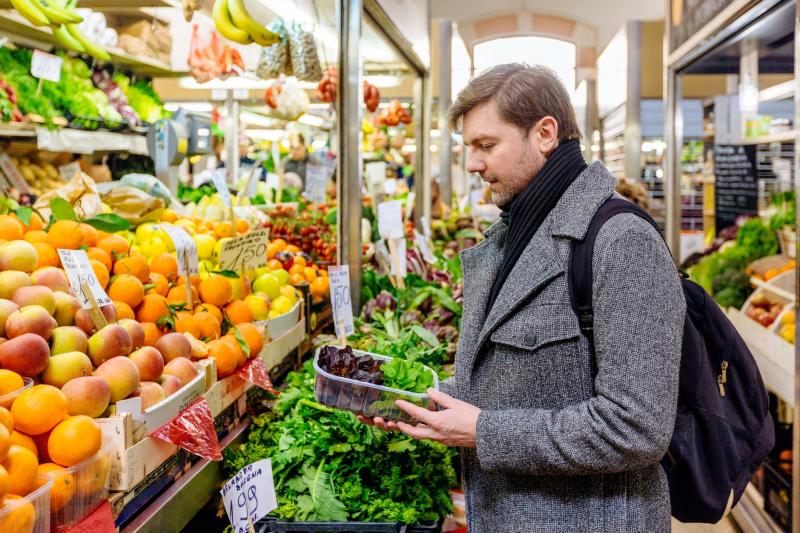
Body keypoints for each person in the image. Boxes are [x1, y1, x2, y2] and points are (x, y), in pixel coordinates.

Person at [360, 64, 685, 532]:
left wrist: (482, 432)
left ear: (545, 134)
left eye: (486, 145)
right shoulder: (515, 234)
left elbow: (636, 426)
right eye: (468, 147)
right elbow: (513, 385)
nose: (472, 164)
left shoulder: (621, 242)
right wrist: (417, 402)